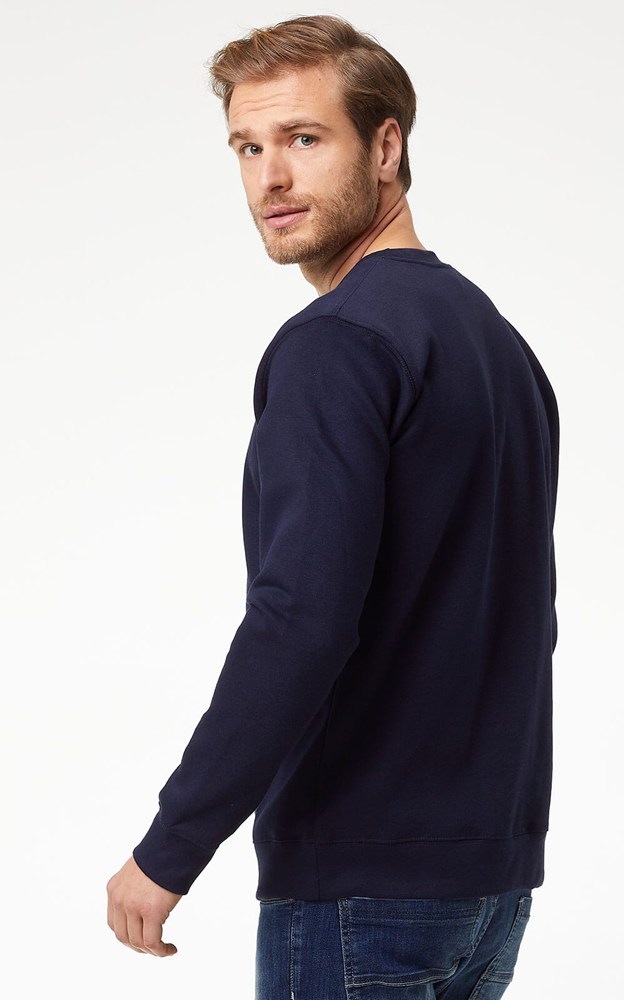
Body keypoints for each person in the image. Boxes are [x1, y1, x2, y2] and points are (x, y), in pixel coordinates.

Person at [106, 14, 560, 998]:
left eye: (304, 139)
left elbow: (300, 619)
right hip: (488, 887)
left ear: (385, 147)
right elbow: (528, 619)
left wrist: (171, 845)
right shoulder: (499, 347)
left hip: (361, 890)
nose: (270, 177)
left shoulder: (337, 345)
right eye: (247, 147)